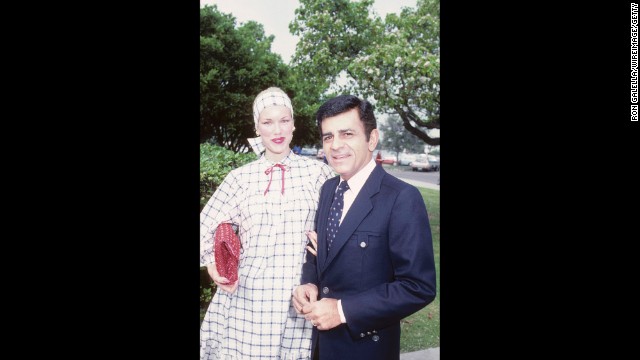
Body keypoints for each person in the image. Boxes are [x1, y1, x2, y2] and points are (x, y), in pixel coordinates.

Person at [292, 95, 436, 360]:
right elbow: (321, 252)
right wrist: (309, 282)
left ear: (372, 139)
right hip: (321, 348)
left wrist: (342, 310)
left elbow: (418, 286)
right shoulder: (328, 190)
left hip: (366, 350)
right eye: (328, 136)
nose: (336, 146)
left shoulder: (401, 198)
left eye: (347, 133)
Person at [200, 87, 334, 359]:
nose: (277, 130)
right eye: (268, 122)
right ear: (257, 127)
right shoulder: (240, 178)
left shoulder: (319, 173)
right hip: (248, 299)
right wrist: (213, 264)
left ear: (294, 124)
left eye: (284, 120)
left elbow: (343, 220)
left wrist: (331, 247)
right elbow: (205, 225)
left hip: (300, 297)